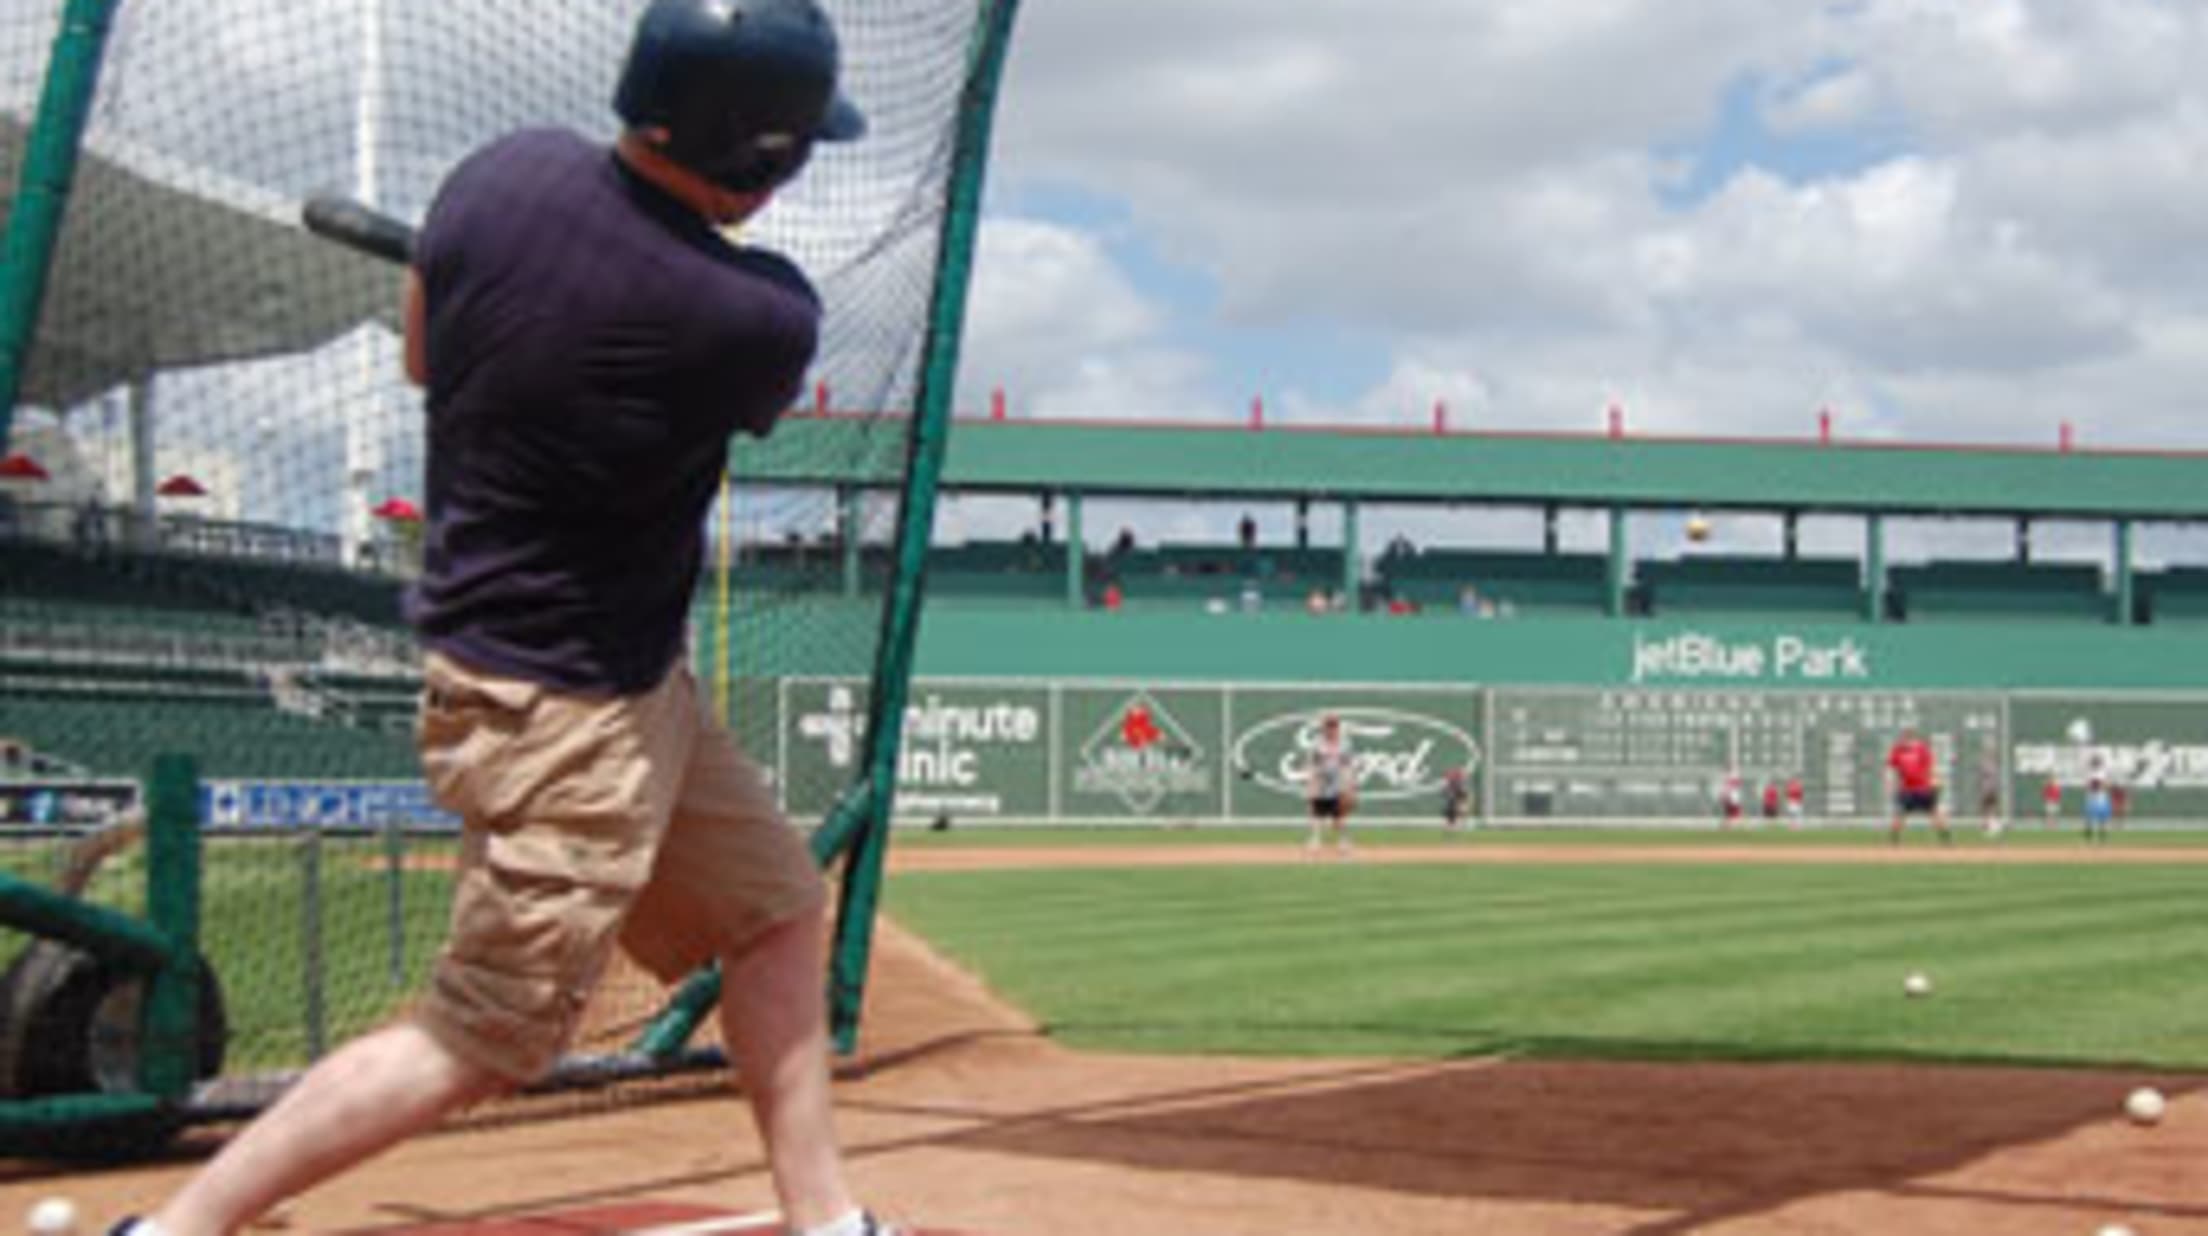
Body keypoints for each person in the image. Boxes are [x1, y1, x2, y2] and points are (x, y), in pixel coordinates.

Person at [114, 4, 891, 1236]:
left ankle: (825, 1220)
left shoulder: (499, 173)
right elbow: (742, 385)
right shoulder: (751, 314)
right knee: (486, 1034)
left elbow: (428, 357)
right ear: (761, 156)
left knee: (775, 908)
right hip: (566, 710)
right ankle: (174, 1229)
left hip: (613, 677)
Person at [1886, 726, 1951, 845]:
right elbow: (1891, 768)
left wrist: (1936, 781)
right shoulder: (1898, 750)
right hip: (1906, 789)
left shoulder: (1922, 749)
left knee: (1935, 812)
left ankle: (1945, 838)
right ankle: (1894, 840)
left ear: (1913, 737)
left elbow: (1931, 767)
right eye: (1904, 736)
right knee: (1900, 813)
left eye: (1908, 736)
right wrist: (1890, 783)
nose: (1905, 739)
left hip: (1923, 788)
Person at [1304, 713, 1356, 857]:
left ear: (1338, 728)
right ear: (1323, 728)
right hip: (1321, 780)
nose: (1331, 729)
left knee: (1338, 815)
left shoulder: (1345, 744)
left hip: (1337, 781)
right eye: (1328, 726)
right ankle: (1315, 840)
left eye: (1334, 726)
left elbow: (1348, 765)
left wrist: (1349, 785)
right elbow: (1312, 764)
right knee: (1316, 812)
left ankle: (1343, 841)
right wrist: (1311, 783)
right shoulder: (1317, 743)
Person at [2083, 749, 2115, 844]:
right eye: (2095, 762)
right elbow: (2090, 786)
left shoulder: (2102, 772)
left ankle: (2102, 838)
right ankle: (2089, 837)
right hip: (2093, 798)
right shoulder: (2090, 773)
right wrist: (2100, 785)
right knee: (2090, 819)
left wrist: (2104, 785)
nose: (2096, 763)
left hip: (2101, 798)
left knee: (2103, 820)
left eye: (2097, 762)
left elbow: (2106, 785)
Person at [1440, 764, 1471, 832]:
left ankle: (1459, 823)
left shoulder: (1461, 781)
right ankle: (1451, 824)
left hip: (1458, 793)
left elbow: (1463, 791)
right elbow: (1445, 788)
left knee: (1461, 808)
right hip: (1453, 793)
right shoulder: (1451, 778)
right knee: (1452, 808)